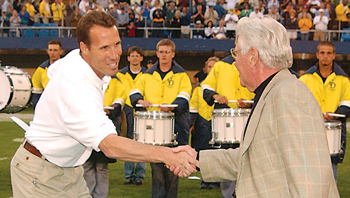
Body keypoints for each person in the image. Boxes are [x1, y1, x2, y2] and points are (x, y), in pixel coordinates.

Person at [10, 11, 198, 198]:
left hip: (69, 171)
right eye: (104, 48)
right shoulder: (77, 91)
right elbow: (110, 146)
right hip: (39, 175)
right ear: (85, 48)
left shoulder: (76, 57)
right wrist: (169, 155)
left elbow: (53, 71)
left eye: (117, 44)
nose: (114, 55)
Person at [172, 16, 340, 197]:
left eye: (236, 53)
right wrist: (195, 160)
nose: (234, 62)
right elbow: (253, 159)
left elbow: (309, 179)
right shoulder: (272, 91)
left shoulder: (289, 95)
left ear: (253, 56)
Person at [130, 39, 192, 198]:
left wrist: (173, 106)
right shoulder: (147, 75)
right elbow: (134, 91)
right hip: (155, 131)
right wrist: (139, 100)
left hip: (175, 127)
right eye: (161, 52)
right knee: (157, 170)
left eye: (167, 52)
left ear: (173, 53)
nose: (164, 55)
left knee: (172, 169)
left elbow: (185, 95)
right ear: (157, 54)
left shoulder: (181, 75)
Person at [200, 41, 254, 198]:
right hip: (227, 120)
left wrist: (249, 102)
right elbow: (206, 87)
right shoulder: (220, 65)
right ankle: (228, 194)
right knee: (228, 157)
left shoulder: (254, 64)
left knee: (249, 158)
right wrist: (216, 96)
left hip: (248, 116)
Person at [299, 41, 350, 183]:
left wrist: (334, 115)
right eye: (322, 53)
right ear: (317, 55)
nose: (325, 56)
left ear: (334, 55)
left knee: (330, 177)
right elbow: (298, 103)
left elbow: (347, 103)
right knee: (307, 176)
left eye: (329, 53)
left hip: (332, 132)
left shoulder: (343, 79)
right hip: (310, 131)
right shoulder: (305, 79)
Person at [116, 46, 148, 186]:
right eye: (132, 56)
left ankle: (140, 175)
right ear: (128, 58)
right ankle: (129, 175)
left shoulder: (148, 74)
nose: (135, 58)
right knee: (128, 141)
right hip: (127, 109)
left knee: (142, 142)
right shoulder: (120, 75)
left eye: (137, 55)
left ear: (141, 58)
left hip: (142, 110)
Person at [189, 56, 220, 189]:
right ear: (205, 69)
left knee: (217, 152)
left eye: (214, 67)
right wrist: (190, 123)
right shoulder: (199, 88)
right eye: (209, 66)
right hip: (203, 122)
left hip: (218, 121)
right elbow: (193, 107)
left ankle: (216, 180)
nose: (211, 69)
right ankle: (205, 180)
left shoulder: (223, 86)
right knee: (203, 151)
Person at [31, 40, 63, 109]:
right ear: (47, 51)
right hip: (48, 105)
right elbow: (36, 91)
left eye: (55, 50)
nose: (52, 53)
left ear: (60, 51)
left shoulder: (67, 67)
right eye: (50, 50)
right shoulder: (41, 69)